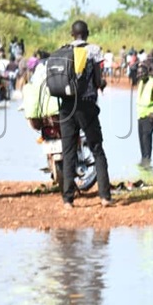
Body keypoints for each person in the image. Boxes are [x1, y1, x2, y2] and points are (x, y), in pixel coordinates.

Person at [58, 20, 113, 209]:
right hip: (86, 106)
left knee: (68, 153)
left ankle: (67, 200)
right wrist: (101, 84)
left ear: (72, 34)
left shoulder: (63, 50)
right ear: (87, 33)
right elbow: (97, 80)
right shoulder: (94, 50)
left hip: (66, 106)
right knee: (97, 149)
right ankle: (105, 197)